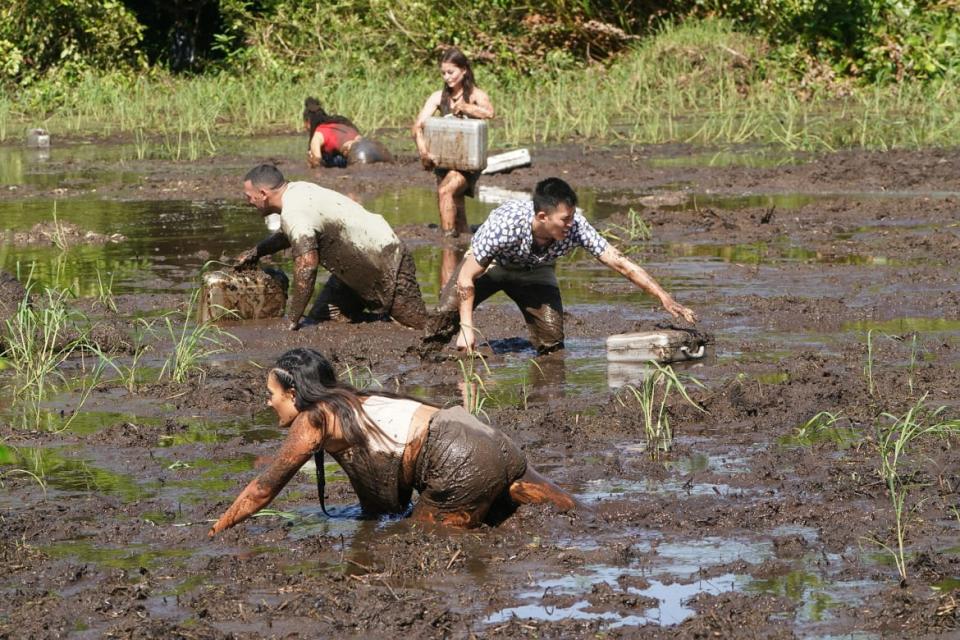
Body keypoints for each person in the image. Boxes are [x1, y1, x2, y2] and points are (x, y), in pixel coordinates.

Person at [208, 347, 575, 535]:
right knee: (573, 513)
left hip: (456, 456)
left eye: (270, 394)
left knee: (421, 540)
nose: (268, 402)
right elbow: (380, 493)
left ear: (292, 392)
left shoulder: (313, 419)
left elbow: (263, 489)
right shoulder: (352, 401)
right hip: (483, 436)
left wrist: (217, 530)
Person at [424, 177, 698, 354]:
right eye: (564, 219)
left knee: (552, 342)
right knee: (444, 314)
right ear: (542, 216)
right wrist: (468, 327)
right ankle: (427, 356)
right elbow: (467, 276)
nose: (571, 224)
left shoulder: (576, 227)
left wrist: (664, 296)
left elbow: (621, 263)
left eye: (572, 217)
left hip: (536, 271)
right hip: (493, 265)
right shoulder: (504, 226)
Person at [235, 164, 427, 330]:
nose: (248, 202)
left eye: (249, 197)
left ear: (263, 194)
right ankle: (379, 325)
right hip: (352, 269)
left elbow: (307, 265)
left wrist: (291, 320)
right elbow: (289, 234)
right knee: (323, 318)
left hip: (387, 261)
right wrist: (256, 252)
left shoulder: (294, 211)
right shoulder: (297, 190)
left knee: (416, 326)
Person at [412, 48, 494, 238]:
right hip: (442, 158)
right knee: (456, 206)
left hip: (468, 161)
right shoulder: (437, 97)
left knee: (445, 191)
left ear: (464, 70)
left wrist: (465, 107)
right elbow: (417, 126)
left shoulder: (475, 95)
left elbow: (489, 113)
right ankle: (463, 241)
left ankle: (447, 242)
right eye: (443, 73)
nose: (447, 77)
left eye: (451, 72)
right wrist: (424, 152)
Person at [303, 97, 392, 169]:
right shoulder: (340, 123)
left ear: (308, 122)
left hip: (360, 154)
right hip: (378, 148)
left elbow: (317, 162)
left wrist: (311, 161)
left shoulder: (318, 134)